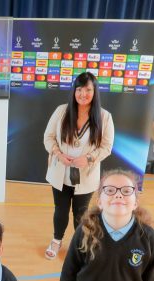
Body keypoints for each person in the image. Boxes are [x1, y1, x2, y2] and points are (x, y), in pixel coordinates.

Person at [43, 71, 115, 260]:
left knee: (80, 213)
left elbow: (107, 147)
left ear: (95, 91)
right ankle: (56, 240)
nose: (83, 94)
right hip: (61, 171)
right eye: (79, 89)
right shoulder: (61, 111)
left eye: (88, 90)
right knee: (60, 209)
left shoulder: (104, 116)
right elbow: (48, 138)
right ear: (74, 90)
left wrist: (89, 158)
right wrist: (59, 154)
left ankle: (78, 244)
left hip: (86, 174)